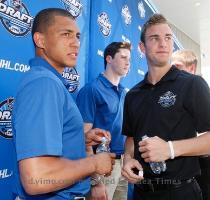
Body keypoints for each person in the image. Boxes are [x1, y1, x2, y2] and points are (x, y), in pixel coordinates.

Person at [12, 8, 115, 200]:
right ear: (40, 40)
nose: (75, 43)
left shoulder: (48, 81)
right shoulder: (44, 83)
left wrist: (79, 139)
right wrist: (94, 163)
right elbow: (36, 177)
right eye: (65, 34)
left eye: (77, 36)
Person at [122, 13, 210, 200]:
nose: (163, 43)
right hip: (141, 192)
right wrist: (128, 159)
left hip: (181, 192)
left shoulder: (192, 84)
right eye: (155, 38)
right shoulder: (132, 95)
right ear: (142, 47)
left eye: (168, 38)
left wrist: (170, 149)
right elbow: (131, 137)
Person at [76, 42, 131, 200]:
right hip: (101, 167)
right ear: (109, 58)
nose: (128, 63)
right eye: (123, 57)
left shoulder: (123, 92)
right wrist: (95, 181)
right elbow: (82, 138)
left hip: (121, 165)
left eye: (129, 59)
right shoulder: (92, 90)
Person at [172, 49, 210, 200]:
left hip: (202, 162)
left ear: (191, 68)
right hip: (182, 165)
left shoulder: (199, 88)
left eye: (177, 67)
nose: (173, 72)